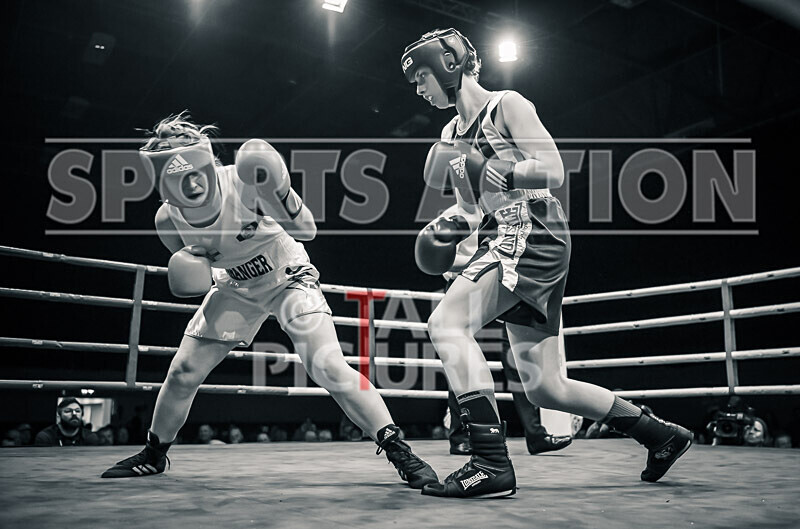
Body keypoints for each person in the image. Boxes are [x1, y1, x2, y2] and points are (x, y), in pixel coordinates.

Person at [403, 28, 692, 498]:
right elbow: (473, 208)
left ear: (448, 63)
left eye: (420, 76)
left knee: (445, 325)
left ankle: (490, 462)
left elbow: (554, 169)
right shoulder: (450, 133)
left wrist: (497, 170)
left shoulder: (507, 105)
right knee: (545, 388)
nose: (416, 88)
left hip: (533, 227)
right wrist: (448, 228)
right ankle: (661, 435)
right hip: (504, 234)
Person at [101, 113, 437, 490]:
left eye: (198, 171)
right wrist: (193, 267)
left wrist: (281, 193)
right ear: (163, 181)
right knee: (182, 372)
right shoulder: (168, 218)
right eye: (180, 177)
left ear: (210, 162)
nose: (193, 182)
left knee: (326, 363)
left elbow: (307, 230)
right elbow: (193, 264)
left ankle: (398, 448)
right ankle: (153, 452)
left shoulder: (244, 182)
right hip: (234, 288)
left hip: (287, 276)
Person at [427, 205, 571, 456]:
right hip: (469, 290)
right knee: (460, 356)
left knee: (519, 361)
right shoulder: (452, 216)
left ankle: (535, 434)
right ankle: (461, 436)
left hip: (507, 283)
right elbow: (443, 262)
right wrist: (483, 261)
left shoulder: (505, 210)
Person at [35, 397, 99, 447]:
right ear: (59, 414)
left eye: (77, 411)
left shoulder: (90, 437)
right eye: (68, 411)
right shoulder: (46, 437)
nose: (74, 414)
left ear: (82, 414)